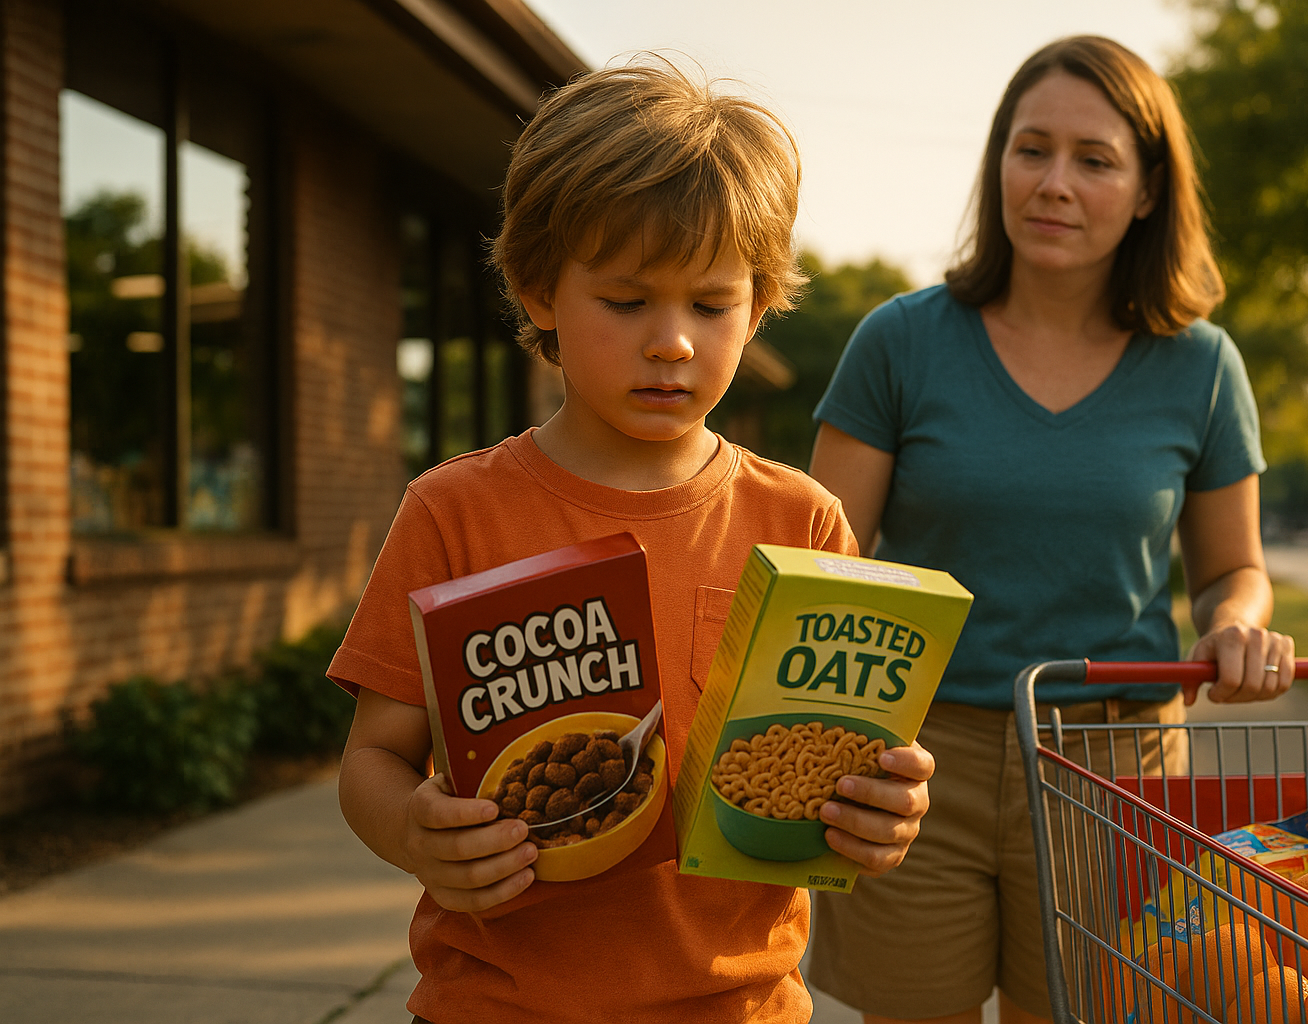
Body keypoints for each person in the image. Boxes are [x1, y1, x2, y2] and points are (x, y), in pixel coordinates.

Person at [327, 61, 932, 1024]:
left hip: (742, 1007)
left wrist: (882, 811)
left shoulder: (804, 522)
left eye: (711, 304)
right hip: (500, 1007)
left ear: (758, 306)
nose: (672, 342)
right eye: (625, 301)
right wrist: (414, 830)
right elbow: (373, 757)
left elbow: (838, 759)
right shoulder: (453, 512)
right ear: (538, 293)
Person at [804, 36, 1297, 1024]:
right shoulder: (899, 341)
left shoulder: (1203, 367)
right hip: (910, 756)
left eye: (1094, 159)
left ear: (1149, 191)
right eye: (1031, 149)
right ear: (999, 162)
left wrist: (1237, 620)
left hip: (1113, 764)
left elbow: (1231, 568)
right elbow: (825, 566)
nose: (1054, 183)